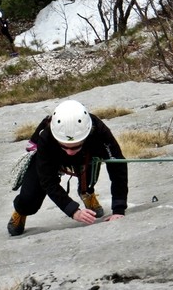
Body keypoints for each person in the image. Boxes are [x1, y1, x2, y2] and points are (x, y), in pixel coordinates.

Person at [8, 99, 128, 236]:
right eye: (65, 145)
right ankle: (21, 210)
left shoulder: (98, 131)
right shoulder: (46, 136)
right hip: (51, 157)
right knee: (29, 197)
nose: (70, 151)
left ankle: (86, 191)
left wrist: (119, 209)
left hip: (85, 155)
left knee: (91, 161)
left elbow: (117, 165)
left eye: (75, 145)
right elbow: (48, 181)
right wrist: (73, 211)